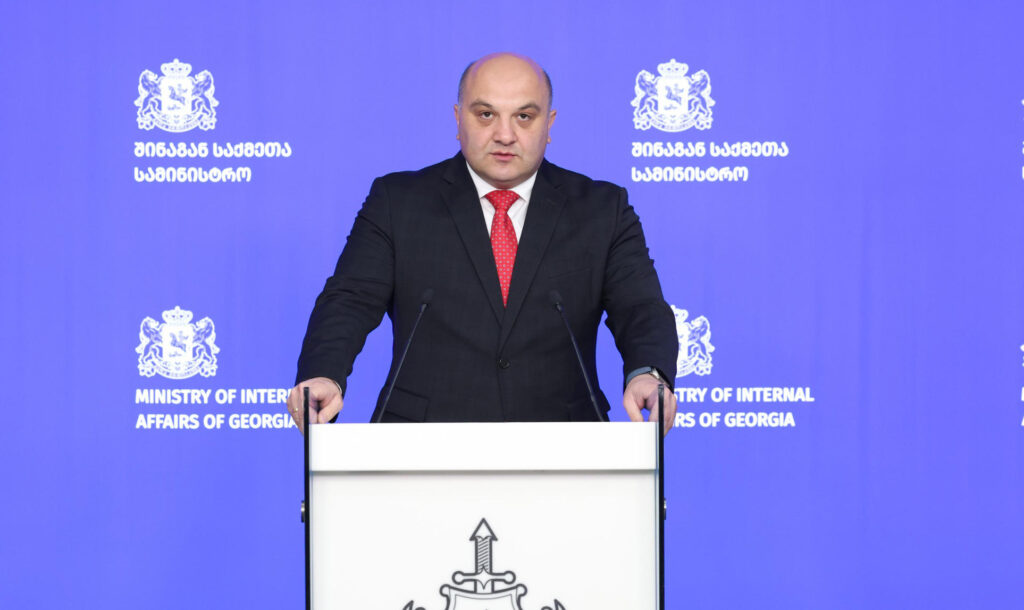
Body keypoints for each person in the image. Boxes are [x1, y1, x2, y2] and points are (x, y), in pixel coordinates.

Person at [287, 52, 678, 433]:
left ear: (549, 123)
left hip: (562, 443)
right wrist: (324, 374)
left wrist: (647, 373)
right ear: (458, 119)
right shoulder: (397, 202)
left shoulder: (602, 209)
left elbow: (639, 307)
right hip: (422, 444)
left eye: (524, 117)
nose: (505, 135)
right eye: (486, 114)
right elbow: (350, 300)